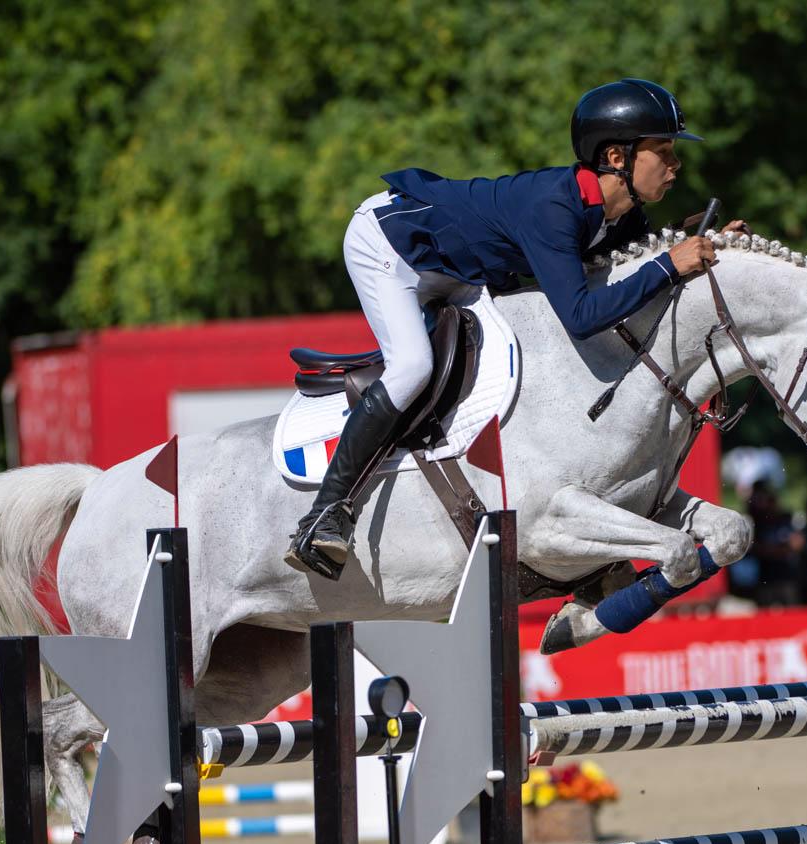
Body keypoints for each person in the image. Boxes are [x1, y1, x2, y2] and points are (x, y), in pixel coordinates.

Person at [285, 78, 743, 577]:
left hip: (462, 269)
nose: (675, 165)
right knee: (414, 365)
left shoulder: (623, 216)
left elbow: (630, 279)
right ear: (616, 157)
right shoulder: (554, 208)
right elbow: (584, 316)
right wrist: (669, 266)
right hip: (391, 248)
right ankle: (325, 514)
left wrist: (692, 247)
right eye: (664, 151)